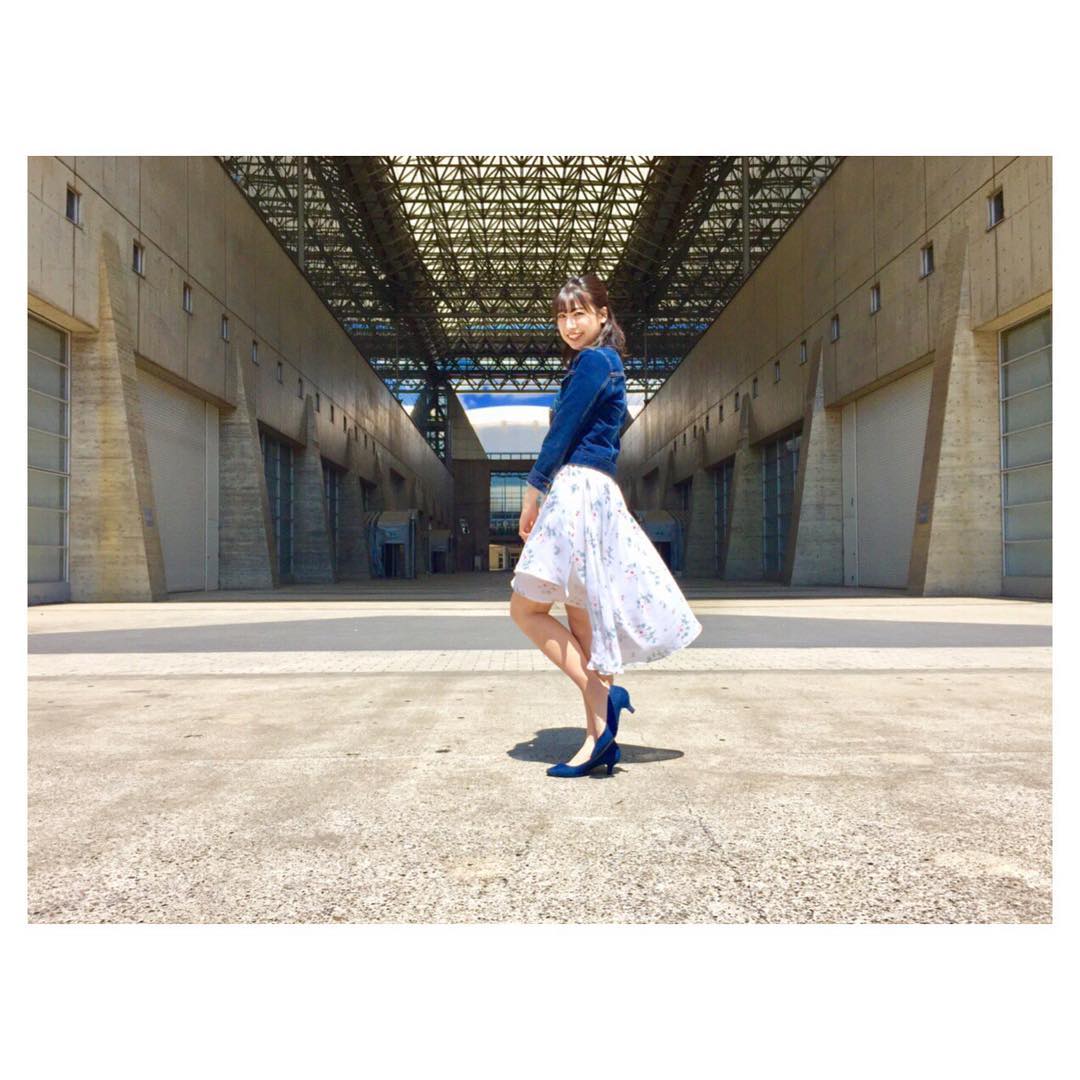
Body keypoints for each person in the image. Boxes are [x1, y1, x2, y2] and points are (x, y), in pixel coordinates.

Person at [509, 273, 704, 778]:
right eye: (562, 316)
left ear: (601, 315)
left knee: (525, 609)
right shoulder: (601, 363)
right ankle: (599, 741)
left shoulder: (595, 362)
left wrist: (532, 492)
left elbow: (562, 434)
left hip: (577, 489)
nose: (570, 325)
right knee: (584, 627)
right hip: (593, 492)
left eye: (579, 313)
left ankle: (603, 694)